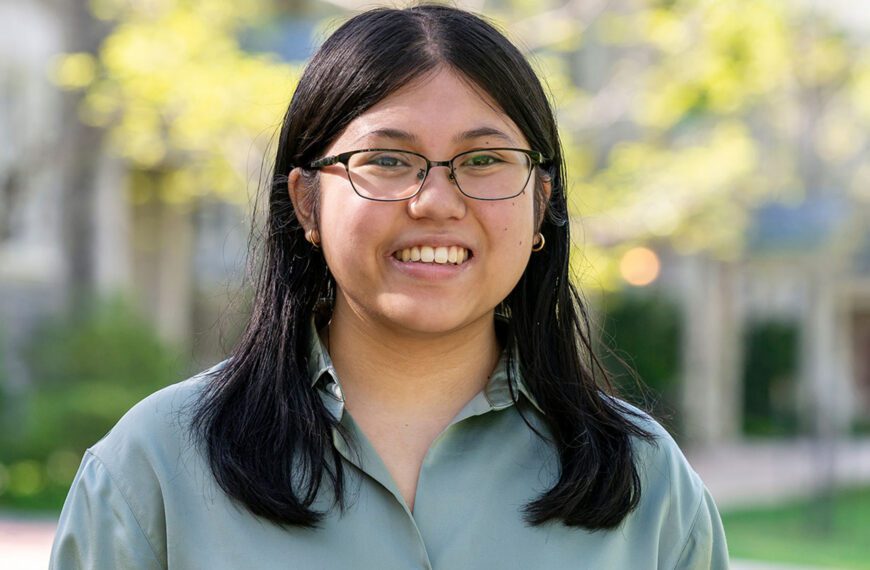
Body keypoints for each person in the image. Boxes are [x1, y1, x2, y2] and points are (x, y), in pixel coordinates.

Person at [50, 4, 729, 569]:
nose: (437, 200)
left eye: (486, 159)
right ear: (308, 203)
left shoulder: (645, 482)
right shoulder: (155, 469)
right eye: (387, 159)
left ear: (541, 203)